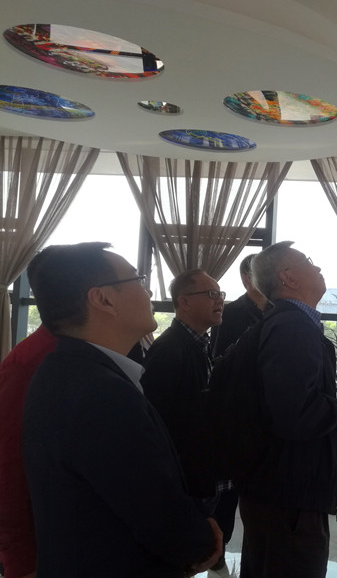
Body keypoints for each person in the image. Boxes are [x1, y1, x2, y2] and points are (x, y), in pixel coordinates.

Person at [22, 242, 221, 577]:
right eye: (138, 280)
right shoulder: (102, 394)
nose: (149, 292)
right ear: (103, 299)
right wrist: (201, 541)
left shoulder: (63, 371)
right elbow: (155, 511)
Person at [237, 242, 337, 578]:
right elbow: (293, 412)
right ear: (287, 278)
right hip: (290, 494)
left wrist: (332, 423)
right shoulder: (293, 326)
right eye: (308, 261)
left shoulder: (288, 322)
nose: (317, 267)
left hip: (281, 488)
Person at [141, 270, 225, 505]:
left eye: (220, 294)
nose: (220, 301)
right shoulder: (169, 351)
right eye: (211, 294)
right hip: (183, 483)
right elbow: (156, 423)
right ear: (184, 302)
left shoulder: (198, 344)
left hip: (201, 474)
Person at [208, 254, 268, 559]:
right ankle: (217, 551)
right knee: (228, 496)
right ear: (247, 278)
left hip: (269, 414)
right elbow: (218, 361)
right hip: (239, 414)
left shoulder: (279, 311)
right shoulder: (231, 313)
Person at [0, 323, 56, 578]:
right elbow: (8, 466)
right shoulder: (34, 359)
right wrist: (21, 562)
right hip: (43, 553)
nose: (150, 303)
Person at [211, 253, 268, 358]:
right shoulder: (227, 313)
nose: (269, 278)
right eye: (263, 273)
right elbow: (218, 356)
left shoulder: (281, 310)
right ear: (246, 278)